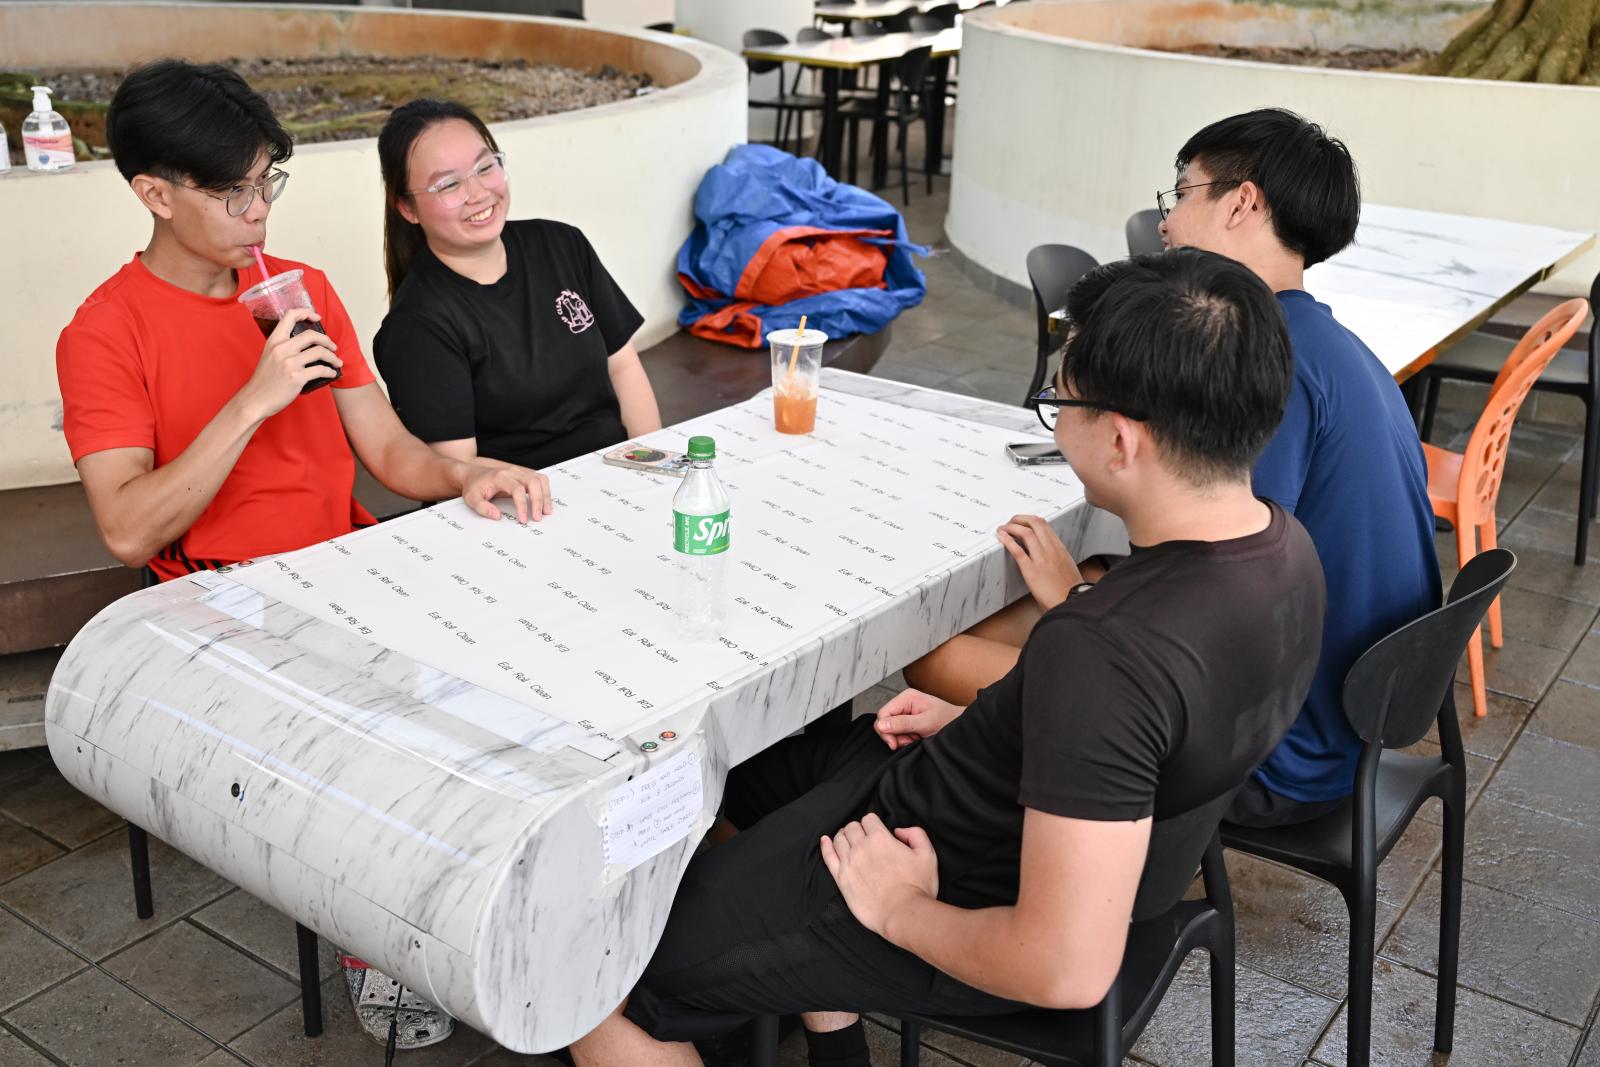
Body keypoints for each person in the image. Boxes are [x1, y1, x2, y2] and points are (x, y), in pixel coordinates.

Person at [568, 249, 1326, 1067]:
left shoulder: (1103, 650)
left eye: (1060, 399)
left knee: (588, 971)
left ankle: (716, 979)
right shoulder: (1286, 550)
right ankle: (807, 1010)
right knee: (711, 781)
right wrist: (1004, 720)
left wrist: (898, 909)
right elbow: (1147, 733)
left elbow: (1065, 967)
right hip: (955, 790)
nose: (1053, 413)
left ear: (1120, 440)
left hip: (949, 886)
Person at [55, 59, 548, 1048]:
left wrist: (468, 472)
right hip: (223, 607)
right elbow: (128, 528)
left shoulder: (298, 286)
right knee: (391, 740)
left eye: (266, 182)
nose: (258, 212)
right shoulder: (104, 333)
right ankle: (382, 928)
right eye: (232, 192)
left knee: (521, 677)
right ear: (155, 193)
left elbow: (389, 452)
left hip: (348, 572)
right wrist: (255, 398)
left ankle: (506, 910)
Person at [906, 108, 1441, 830]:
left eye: (1182, 193)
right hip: (1342, 704)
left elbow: (1223, 589)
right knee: (1033, 602)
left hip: (1278, 741)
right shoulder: (1327, 343)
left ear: (1242, 203)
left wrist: (1074, 601)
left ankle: (1009, 795)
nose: (1165, 222)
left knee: (935, 654)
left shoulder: (1265, 365)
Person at [373, 99, 661, 471]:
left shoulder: (562, 245)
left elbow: (623, 367)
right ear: (407, 208)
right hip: (522, 496)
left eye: (485, 167)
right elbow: (459, 470)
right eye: (449, 184)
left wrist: (654, 467)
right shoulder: (418, 324)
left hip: (616, 469)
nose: (478, 192)